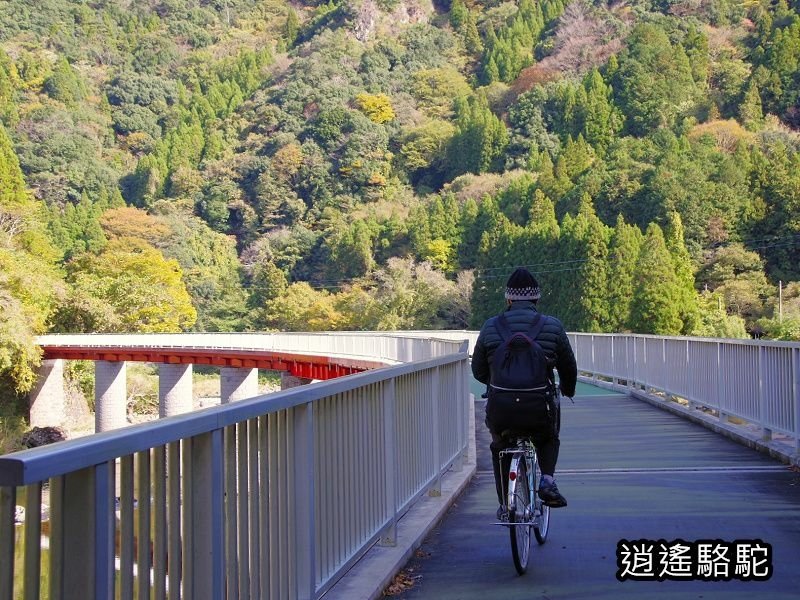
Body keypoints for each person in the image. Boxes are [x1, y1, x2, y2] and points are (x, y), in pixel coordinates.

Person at [472, 267, 577, 512]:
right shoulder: (552, 326)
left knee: (500, 445)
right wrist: (569, 390)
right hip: (539, 409)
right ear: (536, 299)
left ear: (508, 299)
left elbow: (478, 370)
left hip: (501, 410)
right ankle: (548, 481)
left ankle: (505, 504)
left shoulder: (490, 327)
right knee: (548, 437)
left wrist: (497, 381)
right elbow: (568, 367)